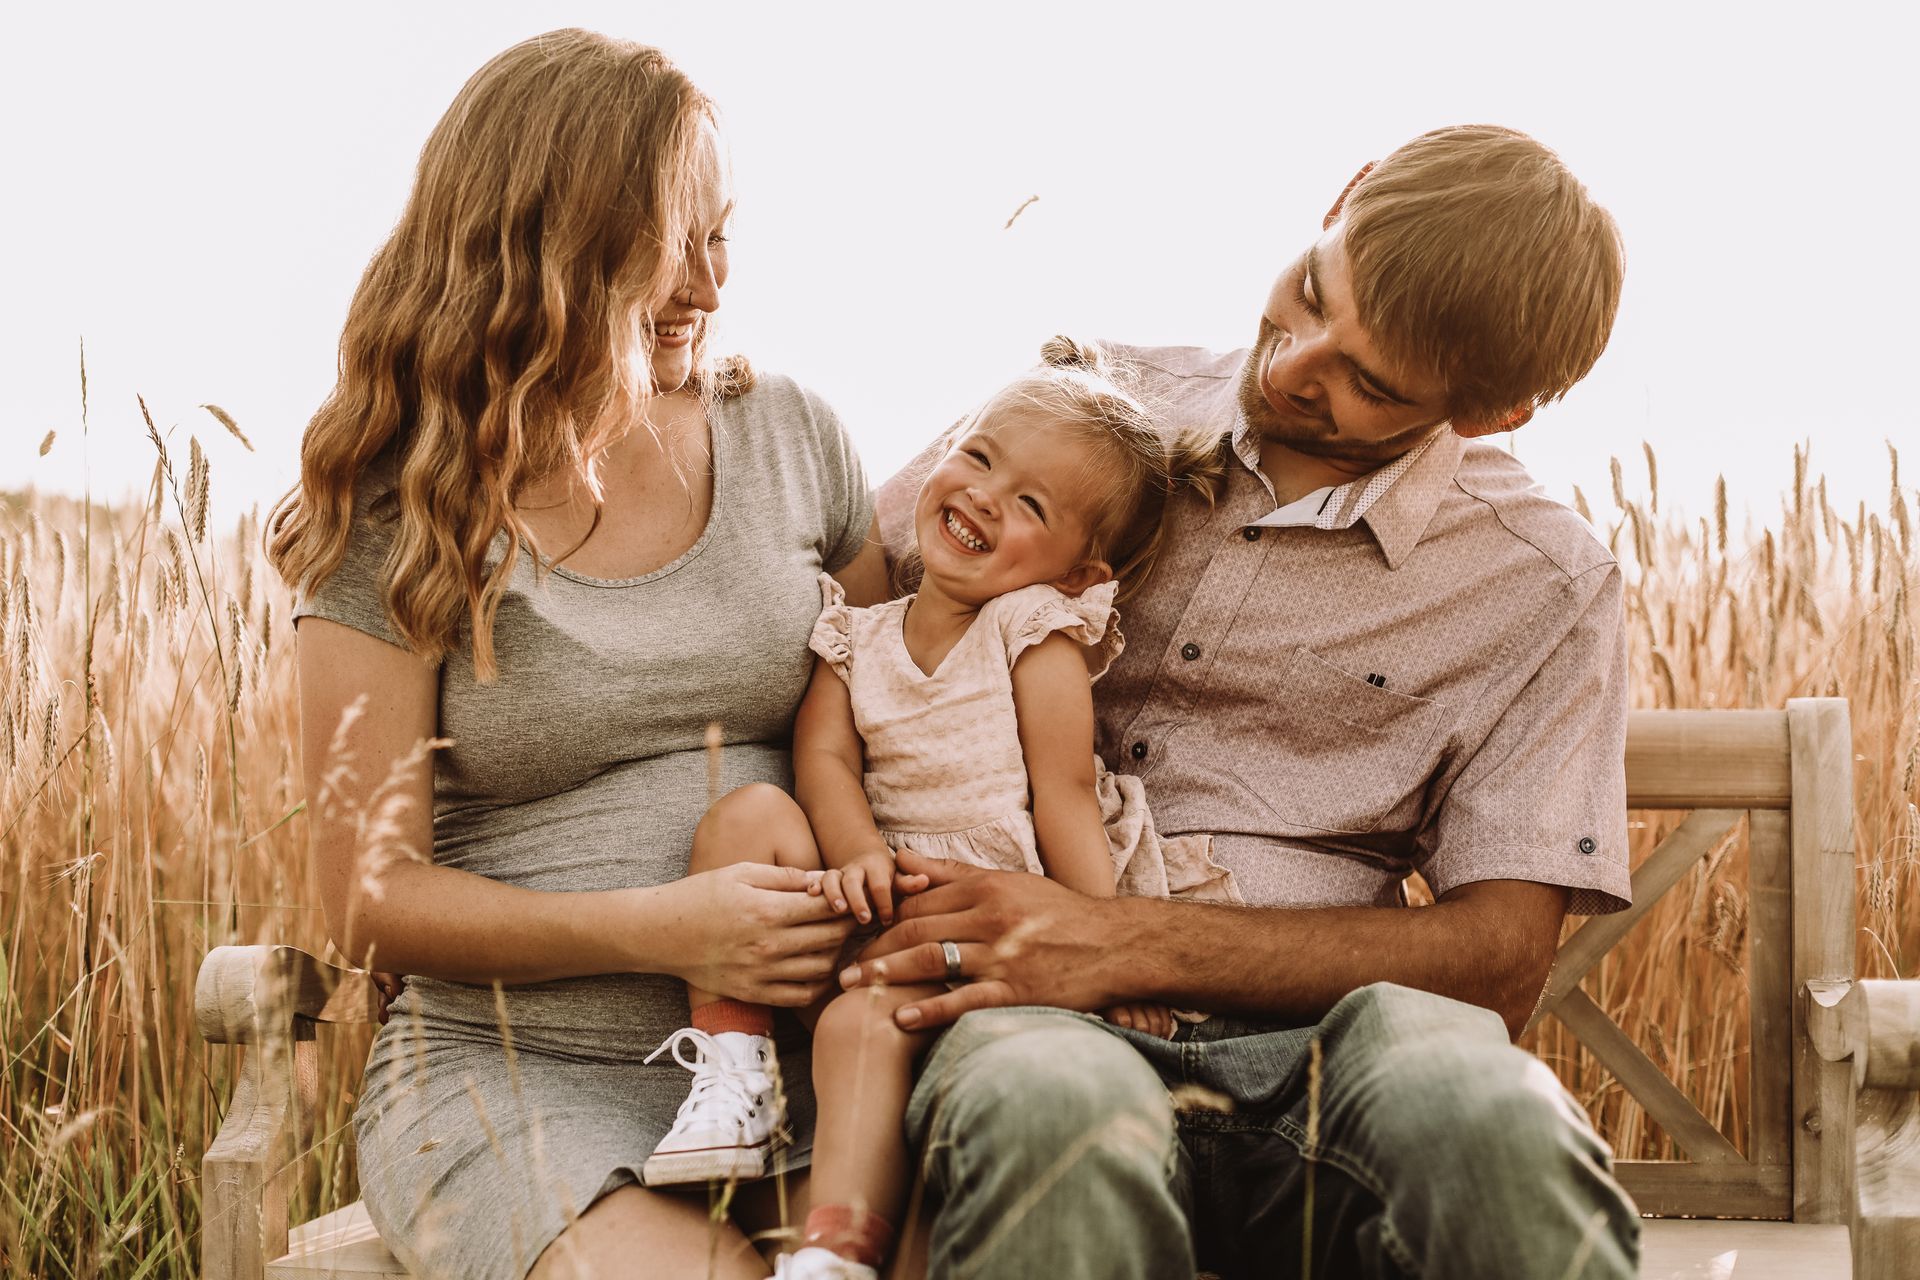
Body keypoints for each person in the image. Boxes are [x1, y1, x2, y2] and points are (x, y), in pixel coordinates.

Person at [851, 125, 1642, 1279]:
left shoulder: (1545, 581)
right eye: (1312, 291)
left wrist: (1119, 940)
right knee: (1046, 1115)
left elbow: (1499, 959)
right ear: (1345, 193)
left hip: (1333, 1041)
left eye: (1368, 382)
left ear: (1489, 412)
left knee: (1499, 1133)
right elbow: (844, 601)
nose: (1291, 367)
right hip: (1034, 1015)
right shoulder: (1087, 401)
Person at [268, 30, 890, 1280]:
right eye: (669, 243)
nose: (709, 284)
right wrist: (668, 931)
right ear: (544, 247)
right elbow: (367, 898)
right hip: (515, 1077)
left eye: (722, 236)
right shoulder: (403, 502)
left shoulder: (793, 437)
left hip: (825, 1067)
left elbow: (898, 719)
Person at [639, 339, 1238, 1279]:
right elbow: (826, 757)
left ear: (1078, 574)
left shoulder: (1033, 633)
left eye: (1032, 505)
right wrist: (856, 851)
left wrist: (1107, 947)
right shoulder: (856, 632)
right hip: (881, 894)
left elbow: (1064, 797)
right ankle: (735, 1072)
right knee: (747, 814)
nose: (986, 497)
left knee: (859, 1028)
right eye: (980, 457)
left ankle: (835, 1250)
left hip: (996, 916)